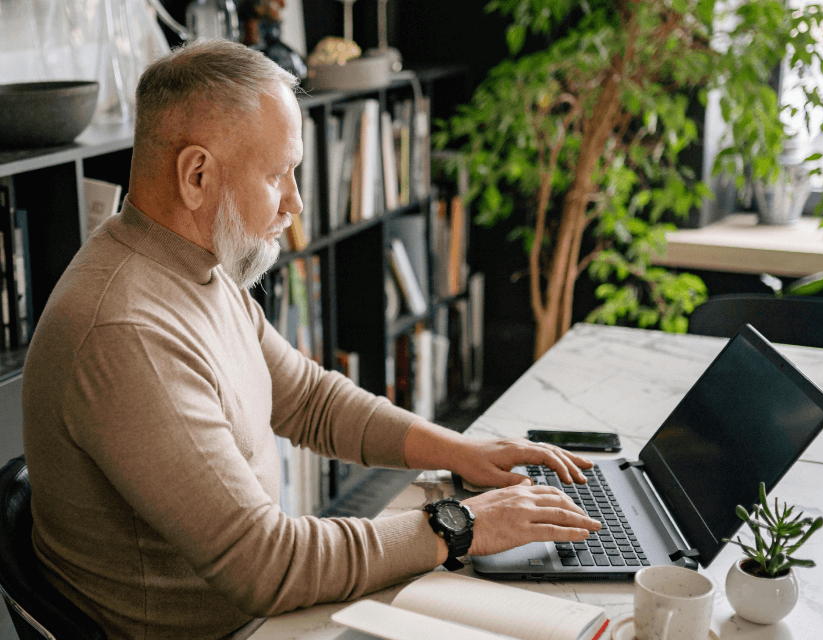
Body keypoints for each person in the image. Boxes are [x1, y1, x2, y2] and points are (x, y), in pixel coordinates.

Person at [22, 40, 600, 640]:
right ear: (197, 175)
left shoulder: (196, 265)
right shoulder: (127, 333)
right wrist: (459, 523)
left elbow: (309, 401)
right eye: (278, 175)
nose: (296, 202)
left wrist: (461, 452)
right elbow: (265, 566)